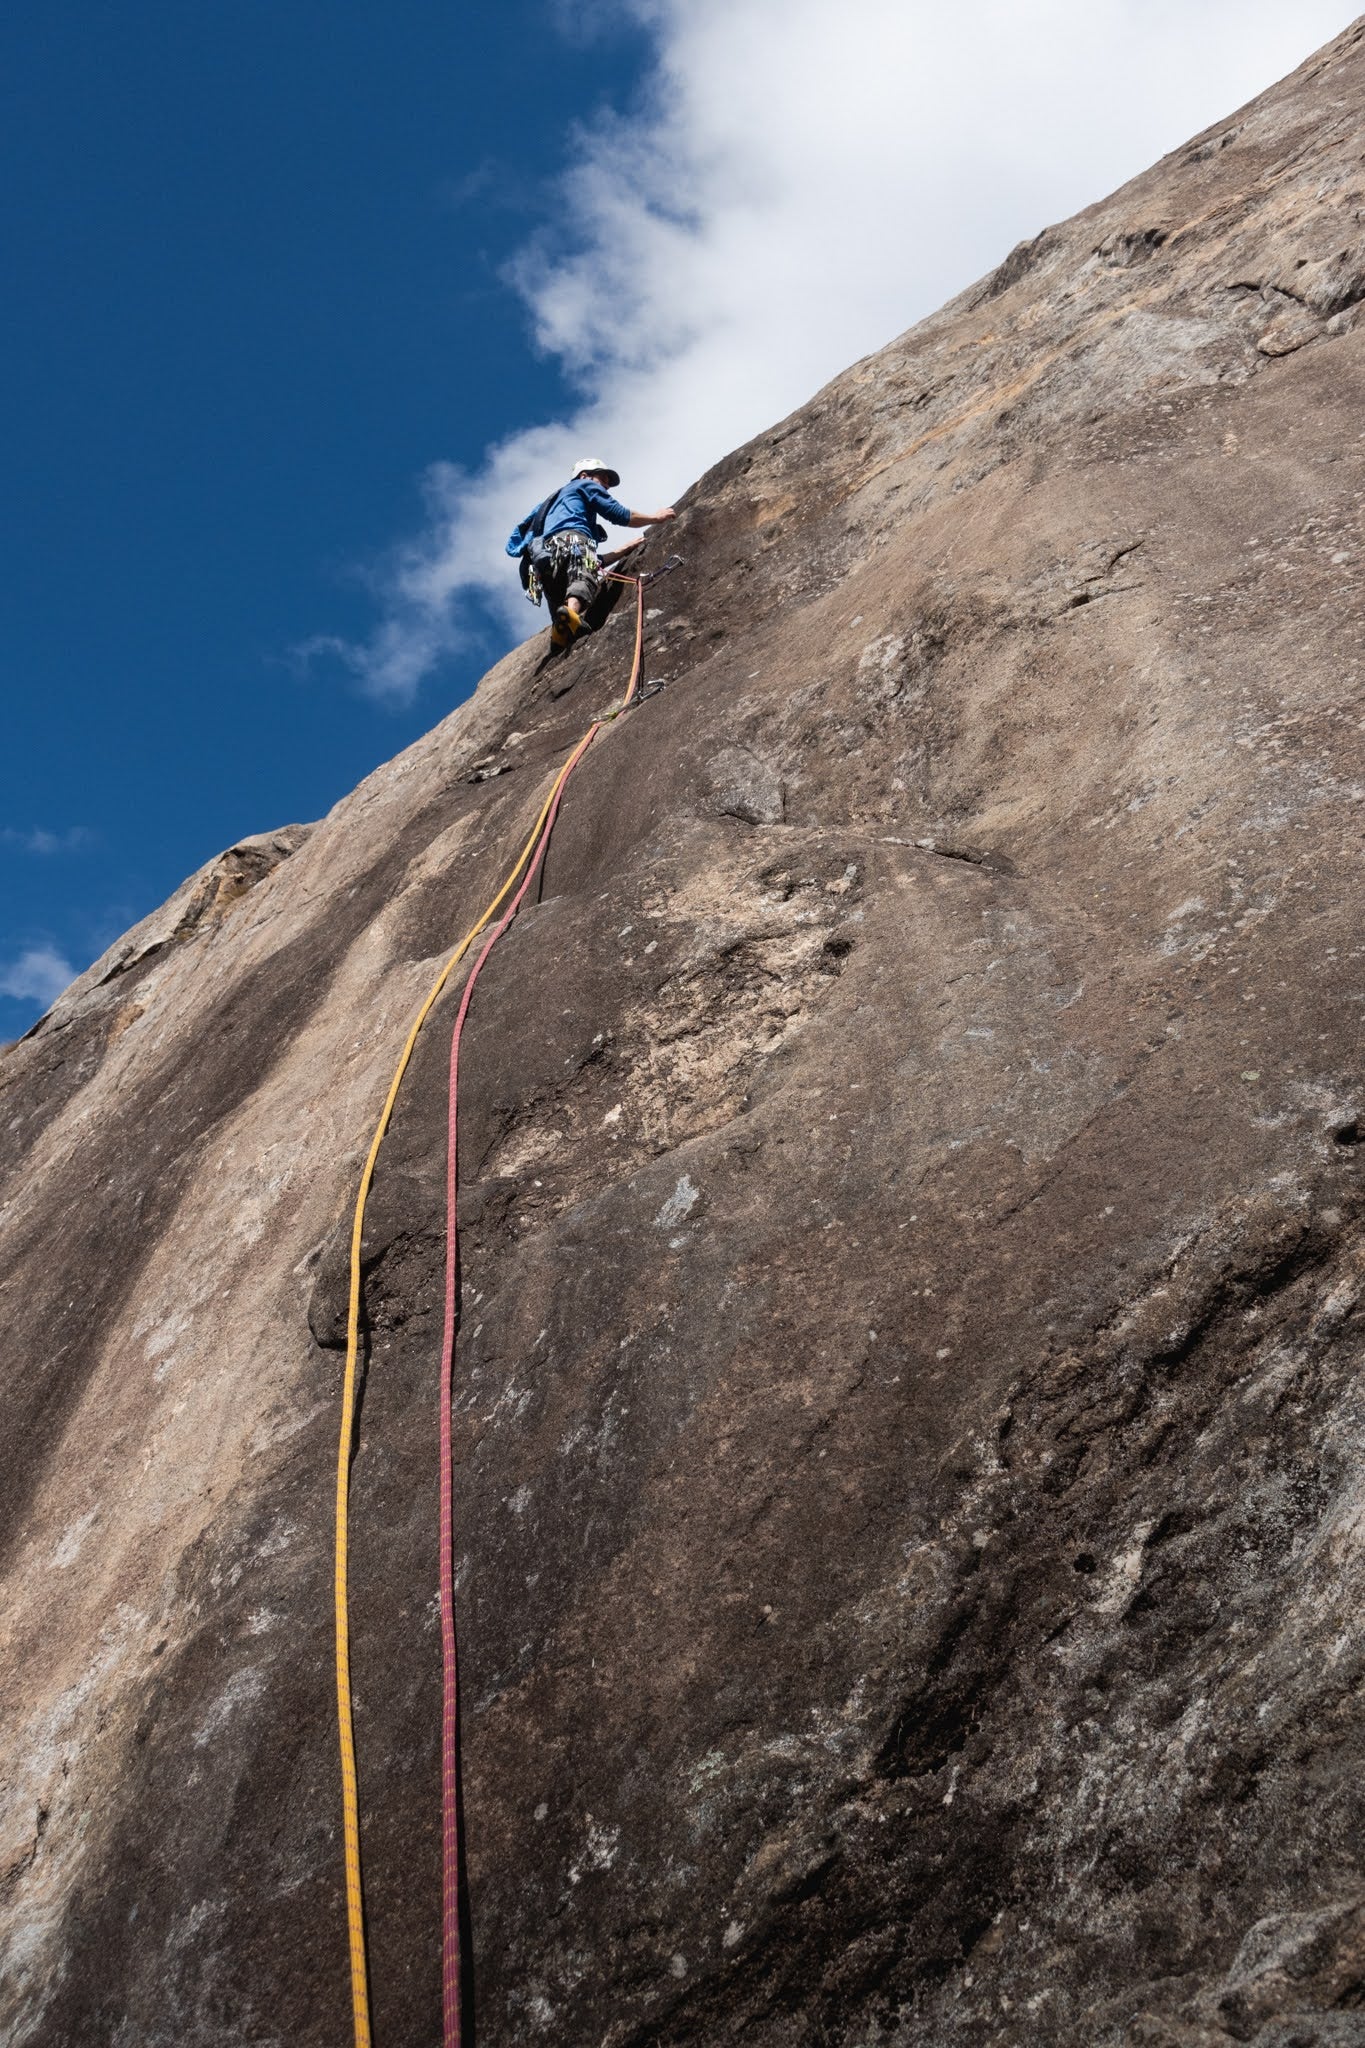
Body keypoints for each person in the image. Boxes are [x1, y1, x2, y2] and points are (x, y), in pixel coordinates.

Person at [506, 459, 676, 650]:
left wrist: (624, 549)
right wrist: (655, 517)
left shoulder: (552, 504)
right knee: (582, 576)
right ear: (584, 475)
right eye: (602, 478)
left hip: (544, 560)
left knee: (562, 592)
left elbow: (595, 561)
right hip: (572, 540)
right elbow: (618, 514)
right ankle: (571, 614)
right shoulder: (583, 485)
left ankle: (561, 630)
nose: (606, 485)